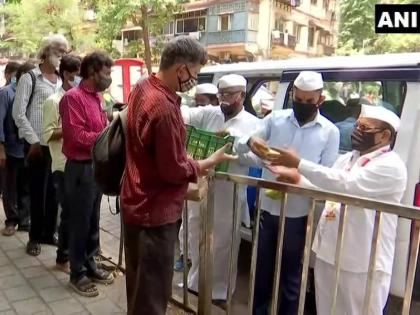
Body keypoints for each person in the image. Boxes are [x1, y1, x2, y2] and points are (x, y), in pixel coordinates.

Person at [120, 36, 236, 315]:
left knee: (138, 287)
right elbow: (172, 169)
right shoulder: (164, 107)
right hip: (155, 213)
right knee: (151, 294)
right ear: (181, 68)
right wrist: (208, 161)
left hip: (136, 202)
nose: (193, 80)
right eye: (194, 74)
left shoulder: (143, 86)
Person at [267, 105, 407, 315]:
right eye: (357, 125)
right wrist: (297, 179)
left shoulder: (391, 166)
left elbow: (347, 184)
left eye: (365, 128)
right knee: (326, 309)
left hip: (362, 261)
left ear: (384, 136)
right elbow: (326, 188)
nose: (356, 130)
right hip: (329, 252)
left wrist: (299, 164)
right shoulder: (348, 159)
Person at [235, 71, 340, 315]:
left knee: (292, 275)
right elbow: (247, 145)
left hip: (299, 213)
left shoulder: (329, 132)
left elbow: (326, 175)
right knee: (260, 268)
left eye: (308, 101)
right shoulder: (275, 120)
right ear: (292, 95)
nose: (301, 105)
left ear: (320, 100)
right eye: (298, 99)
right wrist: (251, 143)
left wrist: (296, 174)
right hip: (267, 209)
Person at [180, 74, 260, 300]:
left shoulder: (254, 124)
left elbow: (259, 160)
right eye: (221, 95)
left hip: (229, 192)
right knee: (196, 235)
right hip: (202, 186)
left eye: (229, 96)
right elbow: (184, 114)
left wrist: (235, 150)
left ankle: (220, 292)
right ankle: (195, 284)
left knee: (224, 242)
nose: (224, 100)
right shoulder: (209, 113)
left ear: (242, 96)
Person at [59, 51, 114, 296]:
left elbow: (100, 128)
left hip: (95, 167)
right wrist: (108, 137)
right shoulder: (73, 98)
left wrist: (109, 131)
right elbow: (77, 136)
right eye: (106, 72)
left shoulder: (97, 97)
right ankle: (77, 273)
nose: (109, 77)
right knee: (79, 223)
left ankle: (91, 264)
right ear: (92, 71)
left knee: (93, 220)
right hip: (79, 169)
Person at [12, 34, 69, 256]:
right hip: (37, 144)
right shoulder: (30, 78)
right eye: (58, 52)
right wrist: (33, 140)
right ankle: (34, 237)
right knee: (37, 192)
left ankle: (49, 233)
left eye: (65, 52)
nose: (62, 56)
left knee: (55, 193)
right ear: (46, 52)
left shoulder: (60, 79)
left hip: (57, 144)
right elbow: (19, 113)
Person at [42, 55, 81, 274]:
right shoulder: (54, 101)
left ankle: (82, 255)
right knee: (68, 214)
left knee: (80, 213)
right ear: (67, 74)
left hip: (82, 165)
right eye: (78, 74)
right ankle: (62, 258)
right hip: (62, 165)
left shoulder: (83, 98)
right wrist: (73, 128)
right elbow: (47, 134)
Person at [0, 61, 32, 236]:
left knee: (25, 186)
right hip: (11, 149)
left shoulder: (30, 94)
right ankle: (11, 220)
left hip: (27, 148)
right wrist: (1, 149)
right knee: (9, 187)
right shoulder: (6, 94)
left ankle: (24, 220)